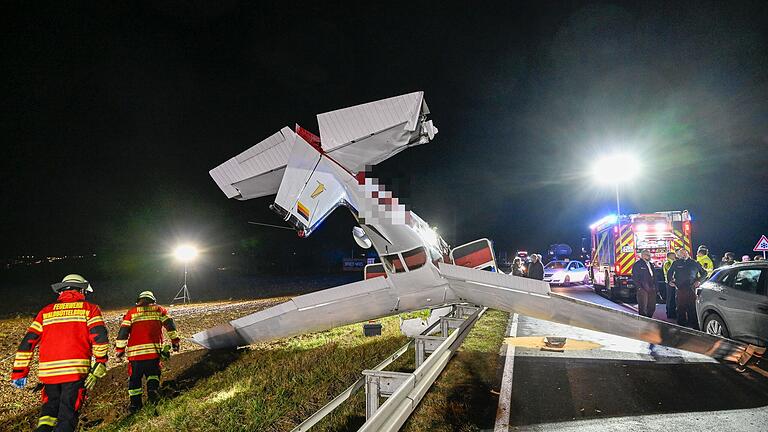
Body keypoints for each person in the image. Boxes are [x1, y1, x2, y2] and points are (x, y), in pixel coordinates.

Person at [10, 274, 109, 432]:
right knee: (67, 414)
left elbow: (27, 342)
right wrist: (100, 362)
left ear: (61, 292)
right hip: (74, 372)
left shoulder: (46, 311)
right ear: (82, 291)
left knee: (48, 412)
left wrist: (19, 372)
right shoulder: (89, 309)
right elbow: (100, 337)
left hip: (49, 375)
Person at [116, 291, 180, 413]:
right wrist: (175, 342)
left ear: (139, 300)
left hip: (135, 356)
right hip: (153, 354)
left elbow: (123, 333)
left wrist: (120, 351)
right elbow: (170, 326)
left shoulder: (131, 312)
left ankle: (135, 406)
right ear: (152, 300)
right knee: (153, 375)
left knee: (134, 380)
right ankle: (153, 397)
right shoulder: (159, 310)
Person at [667, 248, 707, 329]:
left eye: (684, 253)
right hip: (680, 288)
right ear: (679, 255)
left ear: (687, 253)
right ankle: (681, 325)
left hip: (691, 288)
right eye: (681, 254)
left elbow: (704, 273)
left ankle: (693, 324)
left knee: (692, 306)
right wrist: (670, 281)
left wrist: (699, 281)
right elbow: (670, 272)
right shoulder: (676, 263)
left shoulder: (694, 263)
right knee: (680, 307)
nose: (683, 255)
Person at [632, 250, 657, 318]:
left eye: (650, 255)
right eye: (647, 255)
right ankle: (643, 320)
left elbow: (654, 276)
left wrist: (656, 287)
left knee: (652, 306)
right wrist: (639, 288)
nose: (649, 256)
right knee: (643, 306)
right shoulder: (637, 265)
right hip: (642, 288)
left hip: (652, 287)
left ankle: (649, 318)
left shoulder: (651, 264)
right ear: (642, 255)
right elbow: (635, 277)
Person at [662, 251, 677, 319]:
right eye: (674, 255)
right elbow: (670, 271)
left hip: (674, 283)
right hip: (669, 283)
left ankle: (673, 312)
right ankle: (669, 313)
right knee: (670, 298)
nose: (675, 256)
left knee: (673, 298)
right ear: (670, 256)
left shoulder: (673, 262)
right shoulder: (667, 263)